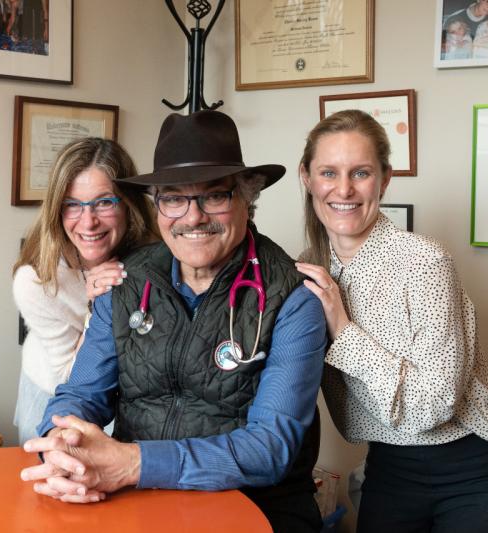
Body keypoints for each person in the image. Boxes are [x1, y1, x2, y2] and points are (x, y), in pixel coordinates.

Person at [20, 110, 328, 532]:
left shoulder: (292, 298)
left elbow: (270, 449)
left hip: (256, 509)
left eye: (214, 196)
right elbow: (80, 394)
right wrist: (61, 447)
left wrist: (133, 463)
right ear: (158, 205)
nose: (193, 216)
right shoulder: (128, 281)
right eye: (174, 198)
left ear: (246, 198)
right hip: (138, 505)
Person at [295, 110, 488, 533]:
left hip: (470, 469)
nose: (343, 189)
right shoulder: (311, 271)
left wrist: (342, 328)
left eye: (361, 172)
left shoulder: (424, 261)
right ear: (306, 177)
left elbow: (434, 405)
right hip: (390, 469)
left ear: (384, 179)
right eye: (329, 172)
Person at [11, 137, 158, 446]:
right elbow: (70, 377)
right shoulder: (37, 280)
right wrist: (96, 306)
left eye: (104, 202)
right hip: (55, 393)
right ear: (56, 209)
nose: (88, 222)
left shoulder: (154, 252)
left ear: (128, 203)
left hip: (130, 397)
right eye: (71, 205)